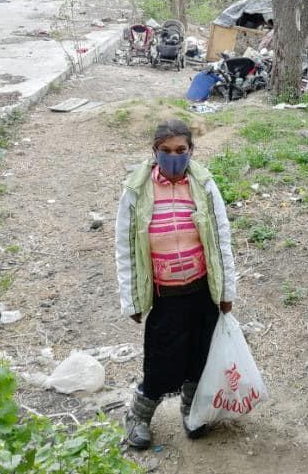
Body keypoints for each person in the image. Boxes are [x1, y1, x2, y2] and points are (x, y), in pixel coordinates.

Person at [115, 119, 236, 449]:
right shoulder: (136, 191)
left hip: (201, 291)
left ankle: (191, 409)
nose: (173, 157)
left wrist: (226, 292)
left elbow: (220, 239)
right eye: (165, 150)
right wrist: (131, 300)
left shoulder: (204, 185)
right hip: (164, 294)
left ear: (191, 151)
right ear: (154, 151)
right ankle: (138, 416)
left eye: (180, 150)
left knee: (200, 355)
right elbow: (125, 247)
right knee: (161, 360)